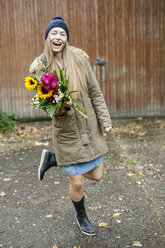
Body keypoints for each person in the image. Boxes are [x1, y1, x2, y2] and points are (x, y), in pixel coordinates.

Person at [29, 16, 113, 236]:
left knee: (97, 175)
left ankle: (54, 159)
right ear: (48, 37)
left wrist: (104, 120)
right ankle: (81, 216)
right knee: (77, 183)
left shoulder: (79, 58)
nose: (58, 37)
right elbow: (45, 107)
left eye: (62, 34)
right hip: (66, 131)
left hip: (88, 126)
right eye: (54, 33)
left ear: (66, 38)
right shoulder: (40, 68)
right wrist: (60, 104)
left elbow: (94, 92)